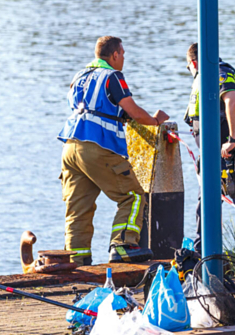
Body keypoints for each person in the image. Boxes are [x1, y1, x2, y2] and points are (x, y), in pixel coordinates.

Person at [58, 36, 169, 265]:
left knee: (78, 206)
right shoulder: (112, 76)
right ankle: (123, 245)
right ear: (115, 55)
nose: (124, 59)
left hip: (70, 146)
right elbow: (134, 111)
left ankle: (76, 260)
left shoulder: (79, 75)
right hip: (96, 146)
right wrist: (155, 120)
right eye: (123, 54)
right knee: (133, 196)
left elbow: (93, 107)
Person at [183, 43, 235, 254]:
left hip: (233, 158)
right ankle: (201, 257)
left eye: (189, 68)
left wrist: (233, 140)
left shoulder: (218, 74)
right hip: (213, 158)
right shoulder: (206, 78)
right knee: (205, 207)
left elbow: (233, 102)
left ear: (194, 62)